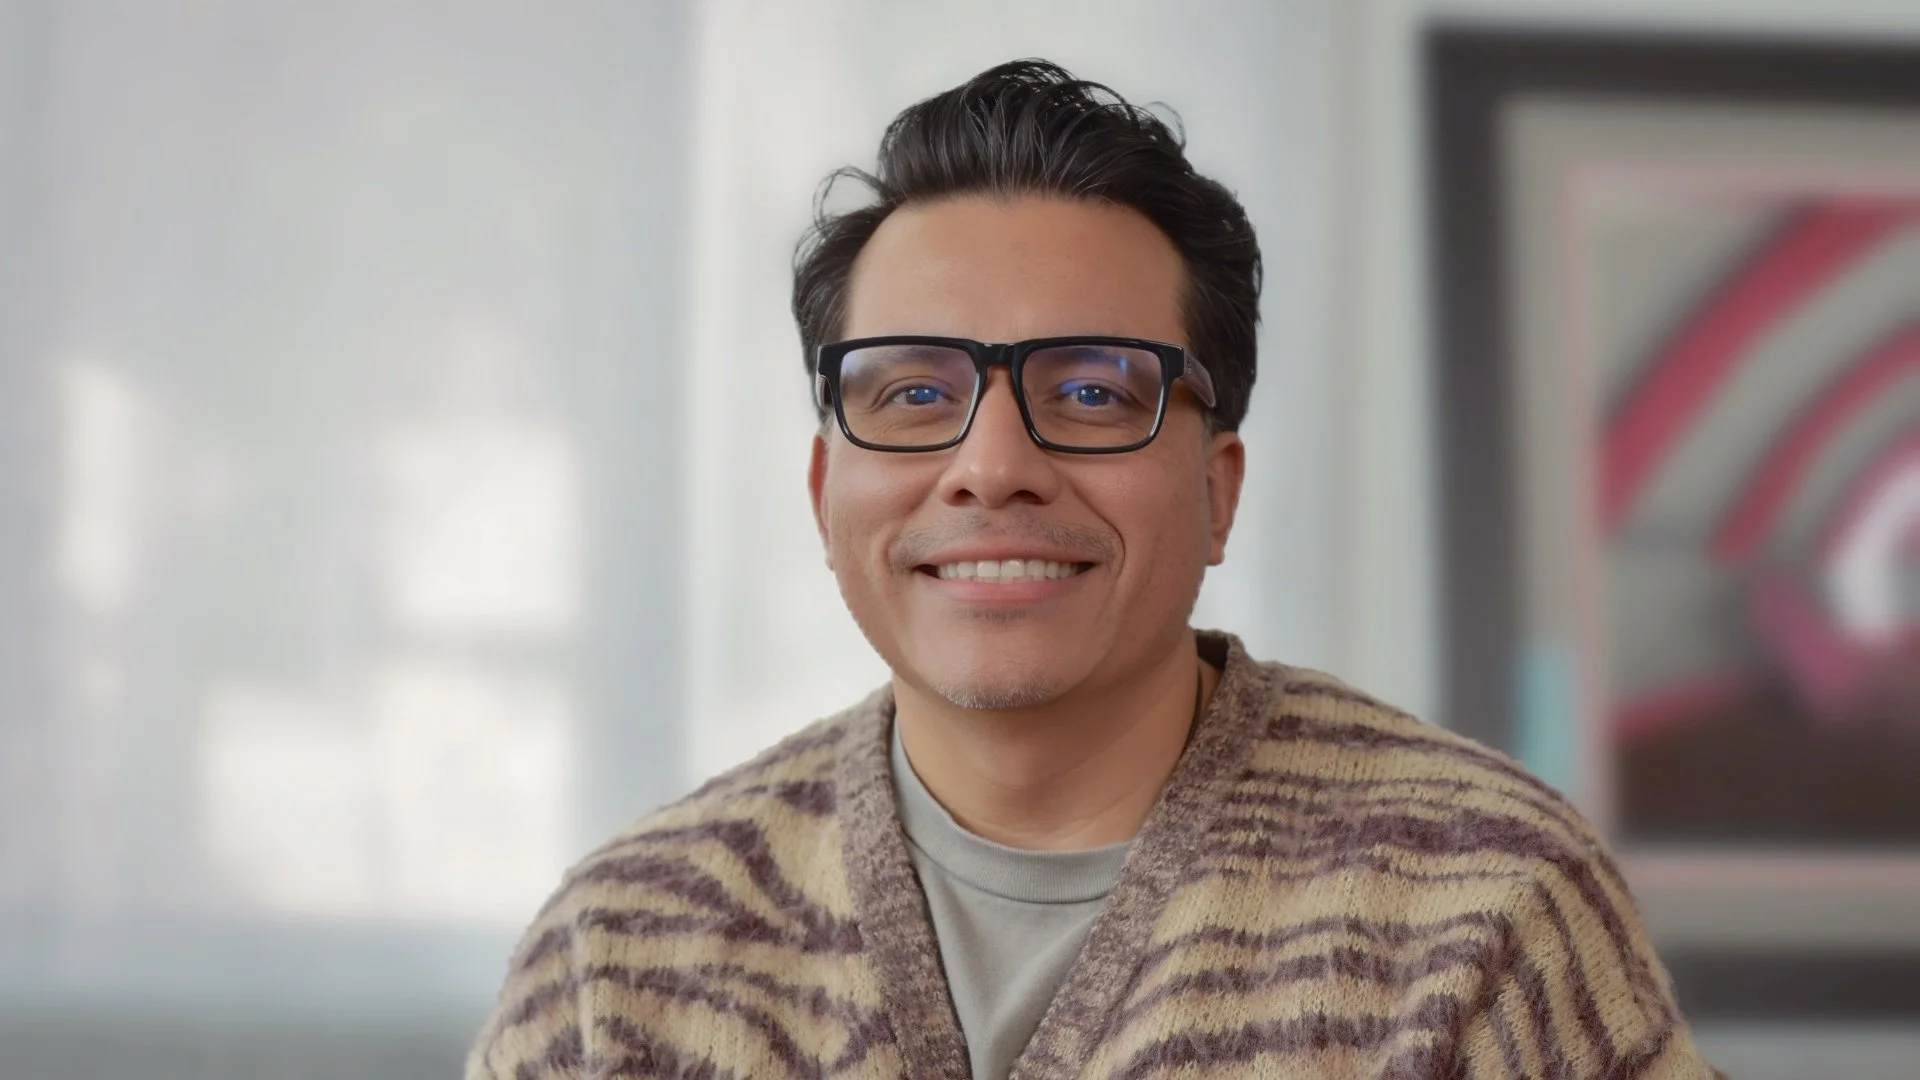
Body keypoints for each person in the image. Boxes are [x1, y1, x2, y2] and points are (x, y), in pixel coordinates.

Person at [466, 59, 1720, 1080]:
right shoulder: (625, 950)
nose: (991, 466)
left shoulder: (1481, 907)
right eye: (912, 393)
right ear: (823, 490)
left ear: (1218, 490)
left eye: (1087, 390)